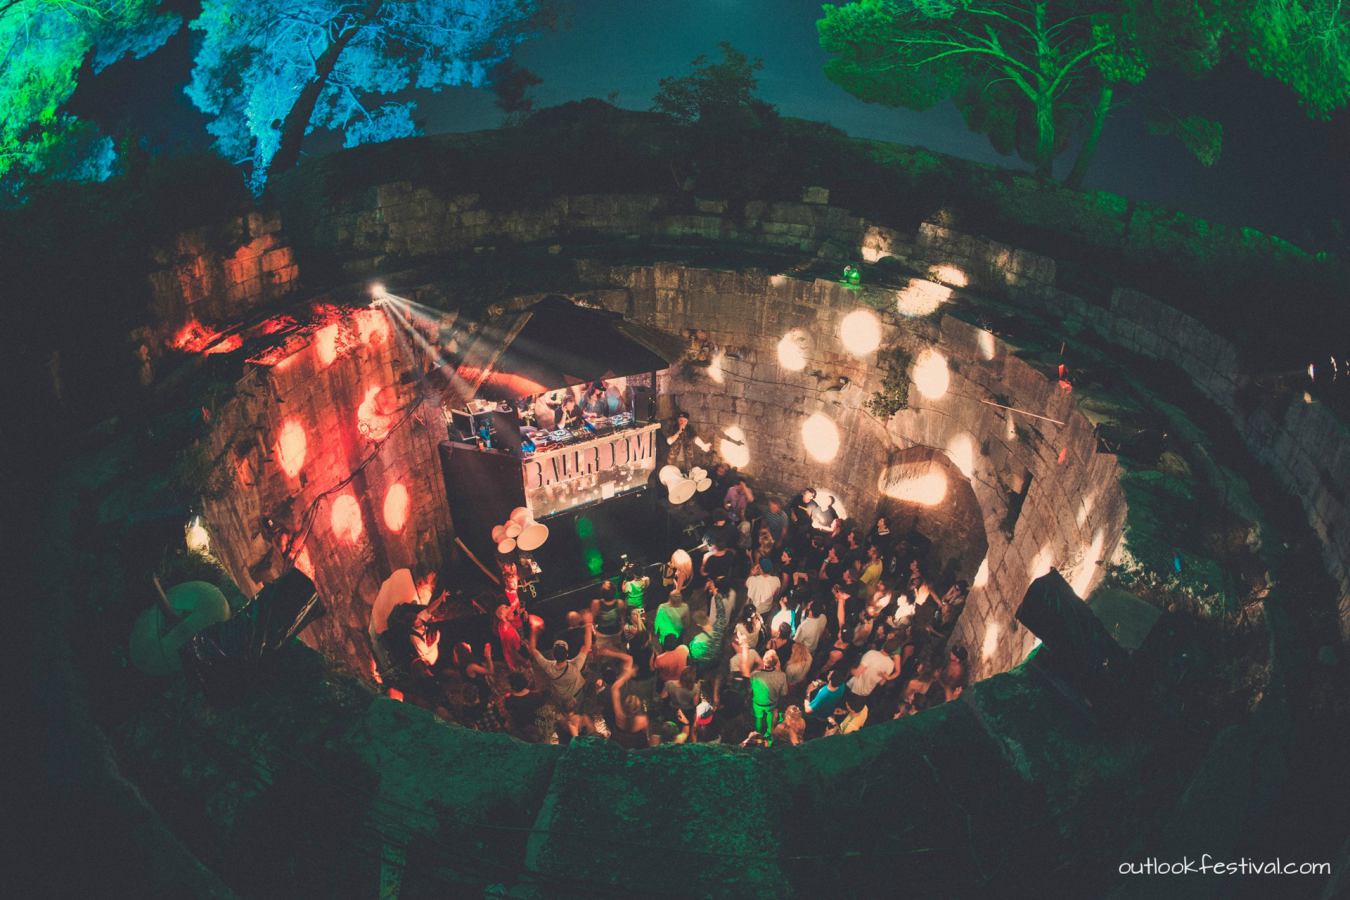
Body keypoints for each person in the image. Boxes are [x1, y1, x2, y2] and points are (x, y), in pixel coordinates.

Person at [527, 612, 592, 713]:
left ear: (553, 654)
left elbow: (533, 650)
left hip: (561, 696)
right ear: (567, 654)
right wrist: (588, 625)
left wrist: (533, 632)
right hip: (576, 694)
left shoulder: (548, 666)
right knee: (578, 709)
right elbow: (586, 647)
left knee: (565, 710)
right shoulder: (575, 666)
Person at [743, 646, 787, 735]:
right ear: (776, 663)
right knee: (770, 718)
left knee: (758, 719)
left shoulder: (755, 675)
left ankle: (757, 735)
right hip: (771, 705)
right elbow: (784, 692)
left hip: (758, 703)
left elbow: (749, 689)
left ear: (763, 661)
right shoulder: (782, 676)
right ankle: (769, 734)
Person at [610, 661, 652, 748]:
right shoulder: (643, 720)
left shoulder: (619, 716)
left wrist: (627, 675)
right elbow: (646, 735)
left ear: (624, 706)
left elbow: (614, 688)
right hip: (636, 746)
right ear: (639, 707)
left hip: (620, 744)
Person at [502, 671, 551, 742]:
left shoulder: (509, 701)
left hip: (524, 732)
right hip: (540, 728)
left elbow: (511, 717)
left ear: (512, 686)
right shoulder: (536, 696)